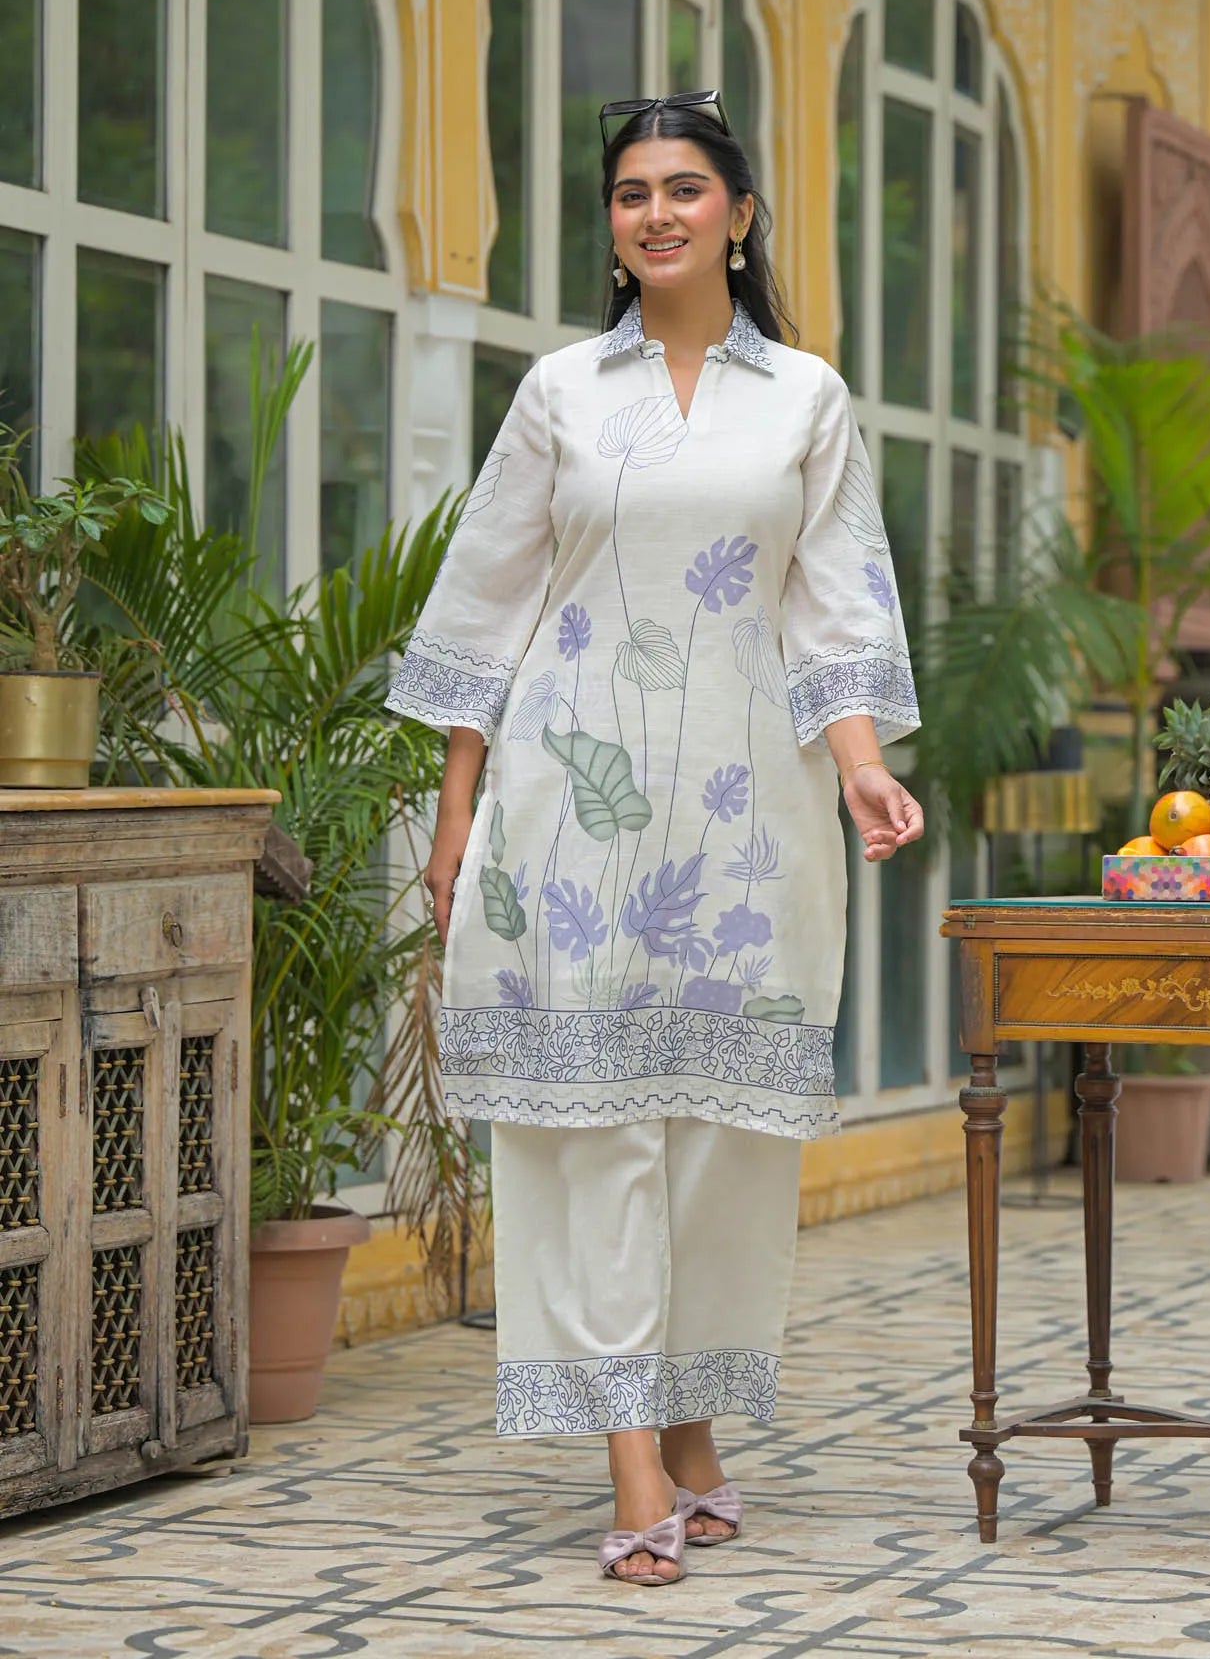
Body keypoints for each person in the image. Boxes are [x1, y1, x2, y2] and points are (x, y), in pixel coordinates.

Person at [386, 89, 924, 1586]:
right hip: (567, 812)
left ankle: (690, 1421)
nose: (659, 213)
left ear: (740, 215)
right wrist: (452, 820)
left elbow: (833, 603)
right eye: (632, 193)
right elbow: (485, 609)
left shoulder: (805, 398)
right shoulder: (562, 392)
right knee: (590, 1130)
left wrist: (865, 768)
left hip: (751, 825)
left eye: (688, 188)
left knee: (721, 1146)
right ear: (614, 228)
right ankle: (636, 1458)